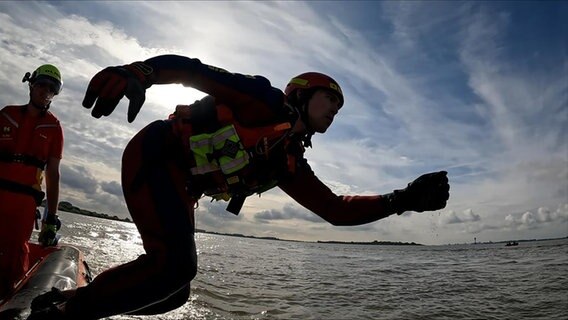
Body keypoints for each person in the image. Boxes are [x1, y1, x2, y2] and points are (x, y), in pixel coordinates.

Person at [29, 55, 449, 319]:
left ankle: (71, 301)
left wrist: (402, 199)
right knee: (177, 265)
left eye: (339, 108)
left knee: (174, 292)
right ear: (302, 94)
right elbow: (193, 71)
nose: (335, 111)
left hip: (180, 185)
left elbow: (335, 210)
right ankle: (67, 312)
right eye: (330, 100)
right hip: (154, 154)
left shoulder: (287, 159)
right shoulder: (261, 100)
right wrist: (140, 72)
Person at [0, 64, 64, 299]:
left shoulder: (54, 127)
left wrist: (51, 218)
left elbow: (53, 173)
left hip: (24, 202)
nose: (45, 91)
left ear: (54, 94)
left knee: (14, 257)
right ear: (31, 85)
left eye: (51, 88)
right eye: (41, 85)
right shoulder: (6, 114)